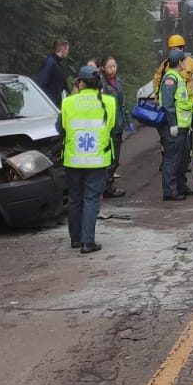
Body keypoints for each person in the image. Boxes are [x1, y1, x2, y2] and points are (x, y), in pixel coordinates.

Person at [57, 65, 117, 254]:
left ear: (80, 83)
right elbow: (113, 127)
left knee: (75, 198)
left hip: (73, 159)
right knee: (91, 198)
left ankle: (75, 239)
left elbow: (61, 128)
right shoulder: (109, 102)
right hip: (97, 159)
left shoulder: (68, 102)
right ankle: (87, 242)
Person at [159, 48, 193, 201]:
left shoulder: (178, 77)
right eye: (184, 61)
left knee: (182, 159)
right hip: (174, 127)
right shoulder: (170, 78)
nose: (186, 63)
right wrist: (173, 124)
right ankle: (170, 191)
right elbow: (168, 104)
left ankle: (181, 186)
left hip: (183, 126)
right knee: (172, 159)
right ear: (180, 62)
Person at [100, 55, 127, 198]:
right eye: (110, 66)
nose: (113, 68)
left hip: (118, 123)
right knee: (110, 158)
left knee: (115, 158)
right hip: (108, 126)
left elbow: (121, 104)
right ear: (103, 68)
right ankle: (106, 187)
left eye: (115, 65)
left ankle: (108, 185)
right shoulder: (102, 84)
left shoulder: (117, 81)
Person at [35, 38, 70, 106]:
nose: (68, 52)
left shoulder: (57, 64)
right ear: (62, 50)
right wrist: (50, 103)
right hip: (50, 106)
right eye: (67, 49)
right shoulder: (50, 63)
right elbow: (41, 84)